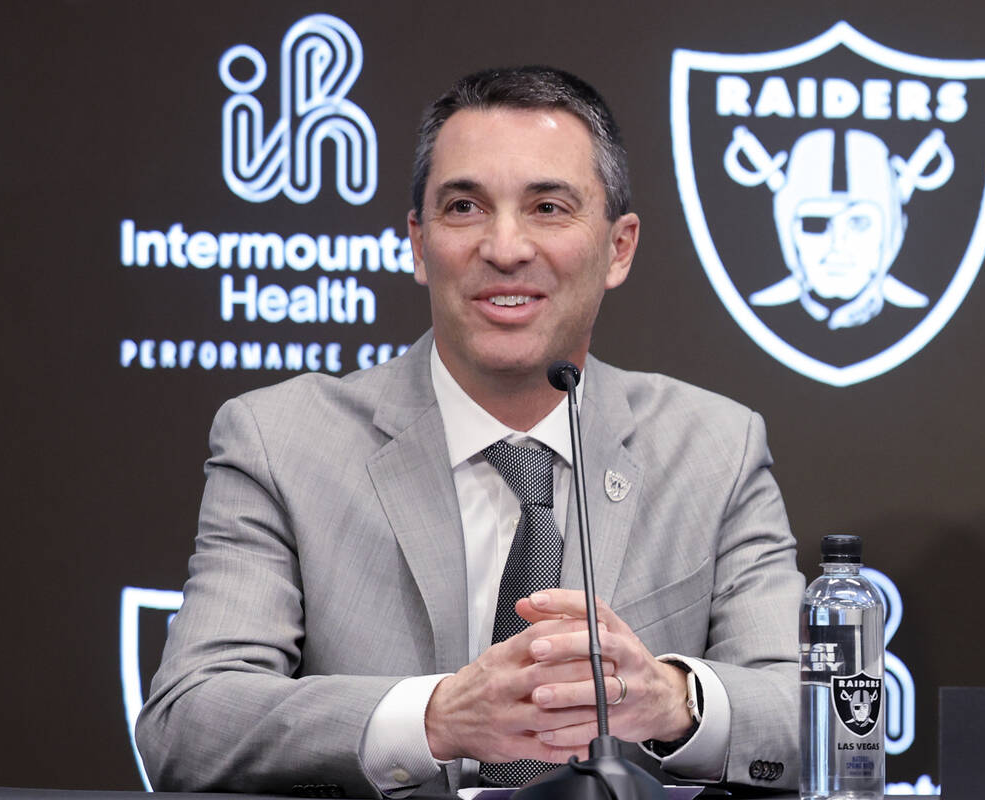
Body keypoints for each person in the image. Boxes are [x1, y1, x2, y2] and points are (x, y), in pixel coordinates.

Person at [136, 66, 803, 798]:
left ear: (619, 247)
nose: (506, 246)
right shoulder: (281, 442)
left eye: (548, 206)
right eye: (464, 207)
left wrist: (671, 699)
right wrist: (434, 718)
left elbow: (810, 721)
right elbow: (188, 722)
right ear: (419, 245)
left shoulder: (714, 449)